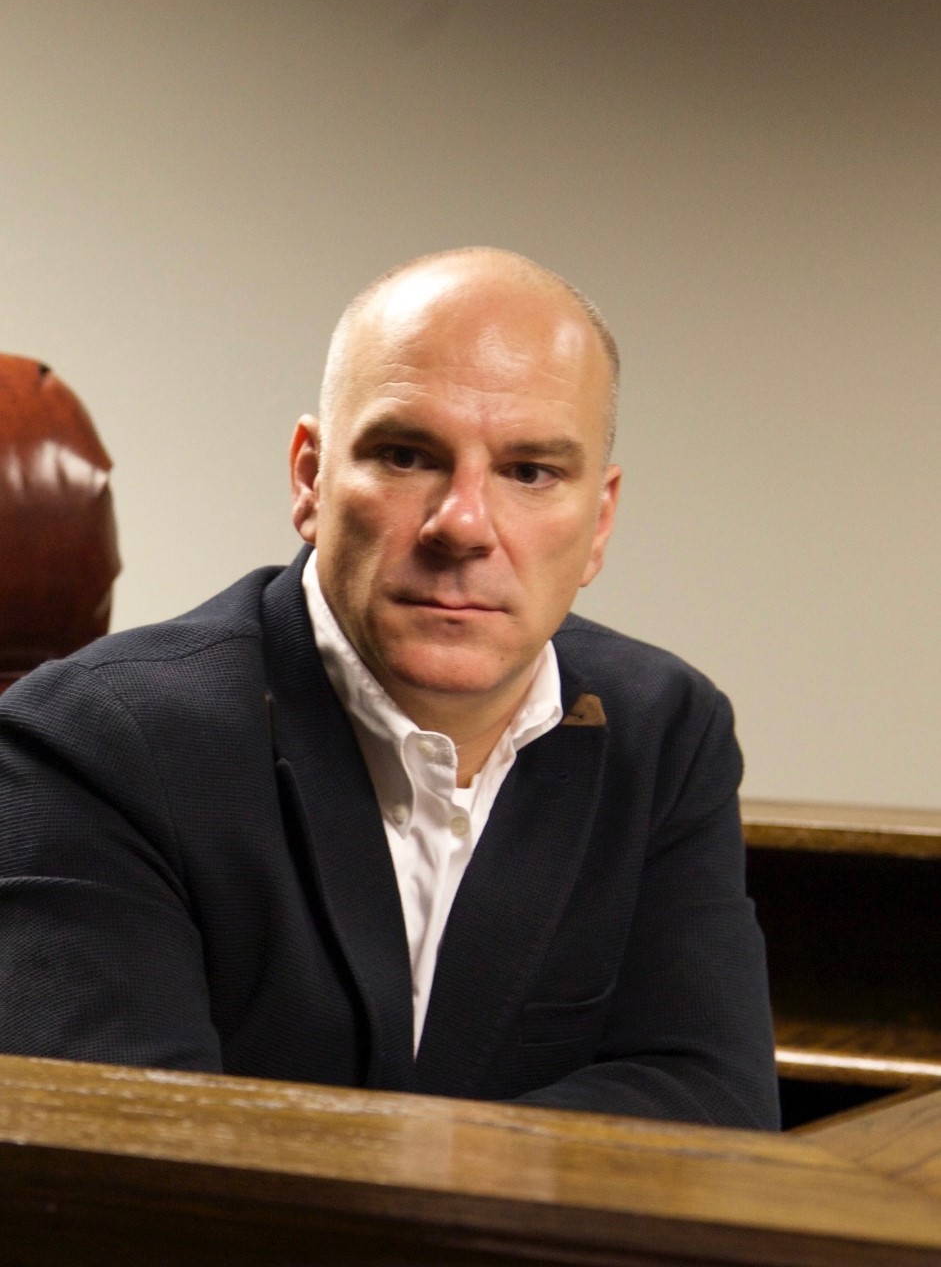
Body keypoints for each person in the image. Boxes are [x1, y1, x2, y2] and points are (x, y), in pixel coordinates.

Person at [0, 248, 780, 1129]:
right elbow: (126, 1154)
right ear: (310, 479)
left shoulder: (666, 728)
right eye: (407, 456)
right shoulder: (94, 740)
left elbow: (716, 1103)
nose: (463, 524)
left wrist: (409, 1162)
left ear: (597, 522)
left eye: (530, 472)